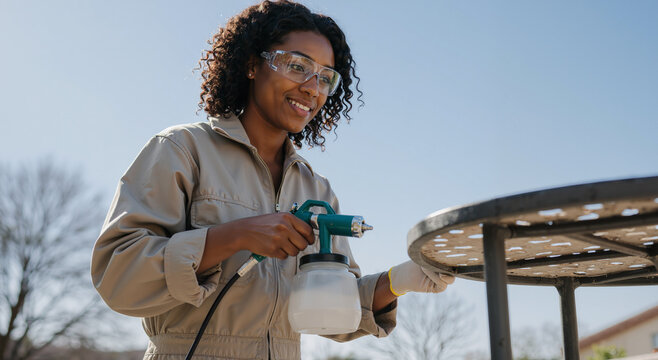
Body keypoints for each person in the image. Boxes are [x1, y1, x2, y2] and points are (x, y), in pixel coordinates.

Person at [91, 1, 455, 359]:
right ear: (252, 64)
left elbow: (333, 315)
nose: (313, 88)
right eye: (298, 66)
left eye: (326, 77)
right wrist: (235, 236)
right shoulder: (182, 150)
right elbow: (118, 276)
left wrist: (398, 281)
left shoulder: (317, 189)